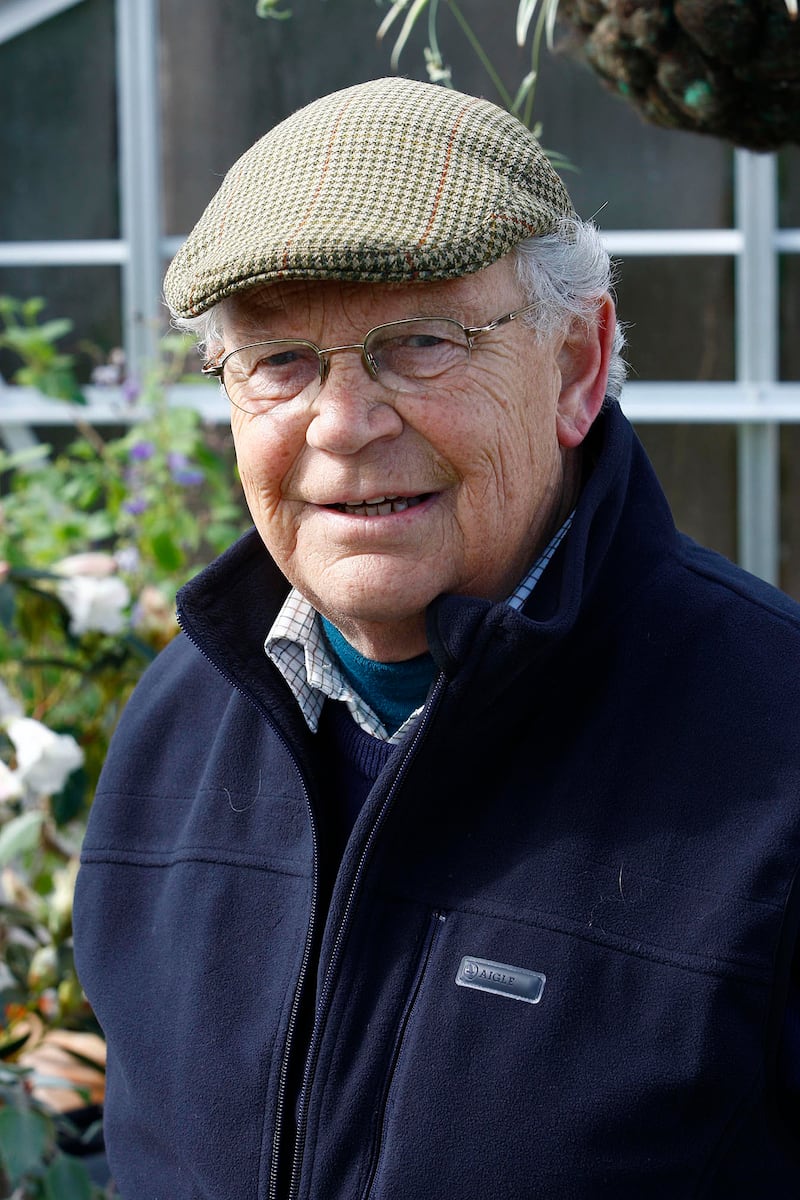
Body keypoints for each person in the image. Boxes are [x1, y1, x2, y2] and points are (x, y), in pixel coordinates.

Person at [73, 77, 800, 1198]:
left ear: (575, 366)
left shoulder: (771, 746)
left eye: (418, 343)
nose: (343, 425)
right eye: (279, 362)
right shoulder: (176, 728)